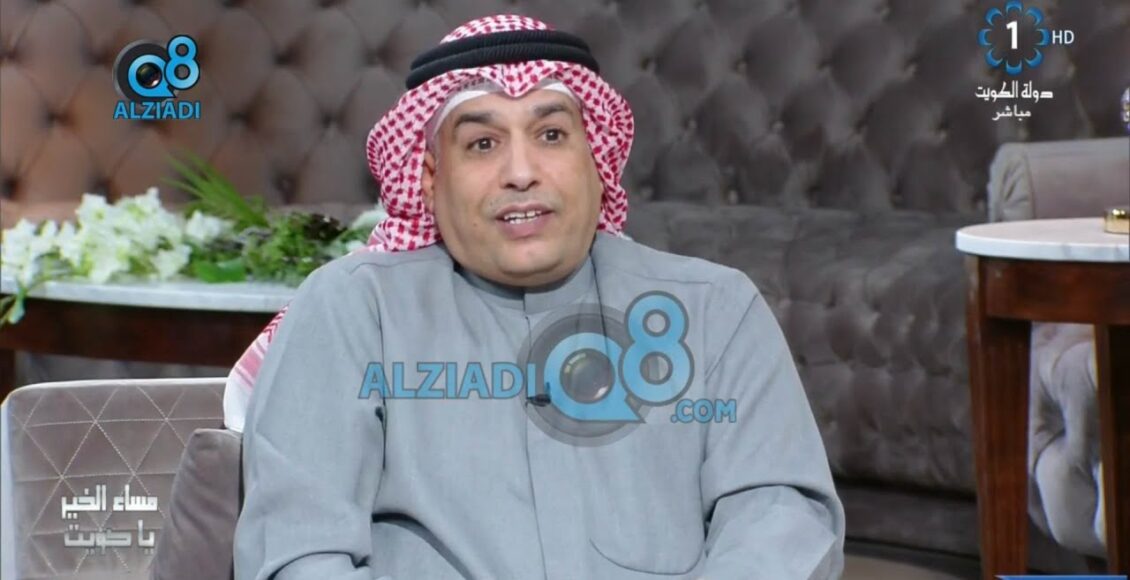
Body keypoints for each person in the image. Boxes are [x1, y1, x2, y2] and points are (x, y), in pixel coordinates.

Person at [232, 14, 845, 580]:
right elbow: (299, 550)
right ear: (430, 176)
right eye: (482, 144)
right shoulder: (356, 310)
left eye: (551, 134)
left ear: (595, 158)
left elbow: (780, 517)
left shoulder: (715, 309)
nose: (521, 172)